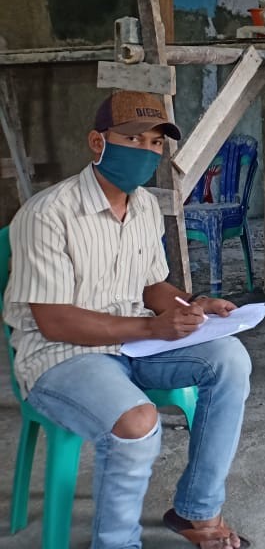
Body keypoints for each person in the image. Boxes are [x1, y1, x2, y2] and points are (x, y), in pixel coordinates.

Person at [2, 91, 252, 549]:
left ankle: (195, 512)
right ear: (98, 143)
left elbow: (150, 287)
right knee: (137, 424)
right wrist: (153, 328)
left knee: (229, 359)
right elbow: (55, 321)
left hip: (134, 346)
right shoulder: (47, 214)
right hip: (63, 357)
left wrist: (193, 302)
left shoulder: (143, 208)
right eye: (133, 138)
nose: (146, 151)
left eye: (156, 143)